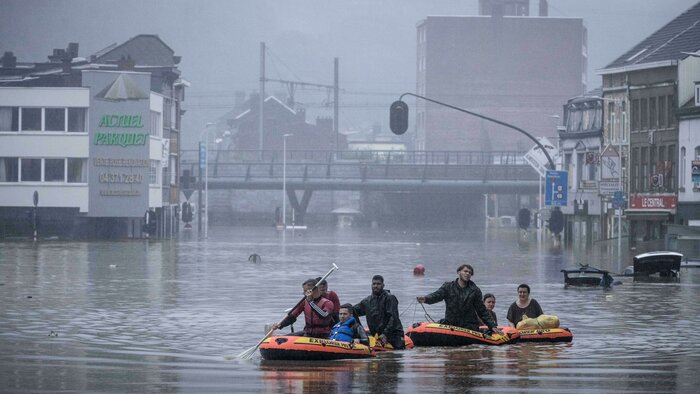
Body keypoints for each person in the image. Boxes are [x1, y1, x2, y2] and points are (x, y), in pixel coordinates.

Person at [417, 264, 501, 334]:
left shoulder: (475, 290)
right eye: (465, 271)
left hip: (469, 326)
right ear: (459, 272)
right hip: (451, 323)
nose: (468, 273)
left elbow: (482, 310)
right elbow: (436, 295)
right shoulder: (448, 286)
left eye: (470, 272)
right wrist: (425, 299)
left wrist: (492, 326)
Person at [353, 275, 405, 349]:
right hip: (376, 334)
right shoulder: (367, 301)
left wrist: (385, 334)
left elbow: (393, 318)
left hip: (394, 334)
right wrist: (360, 331)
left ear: (383, 285)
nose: (376, 286)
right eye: (374, 284)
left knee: (398, 352)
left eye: (378, 284)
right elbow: (352, 311)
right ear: (371, 285)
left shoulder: (390, 298)